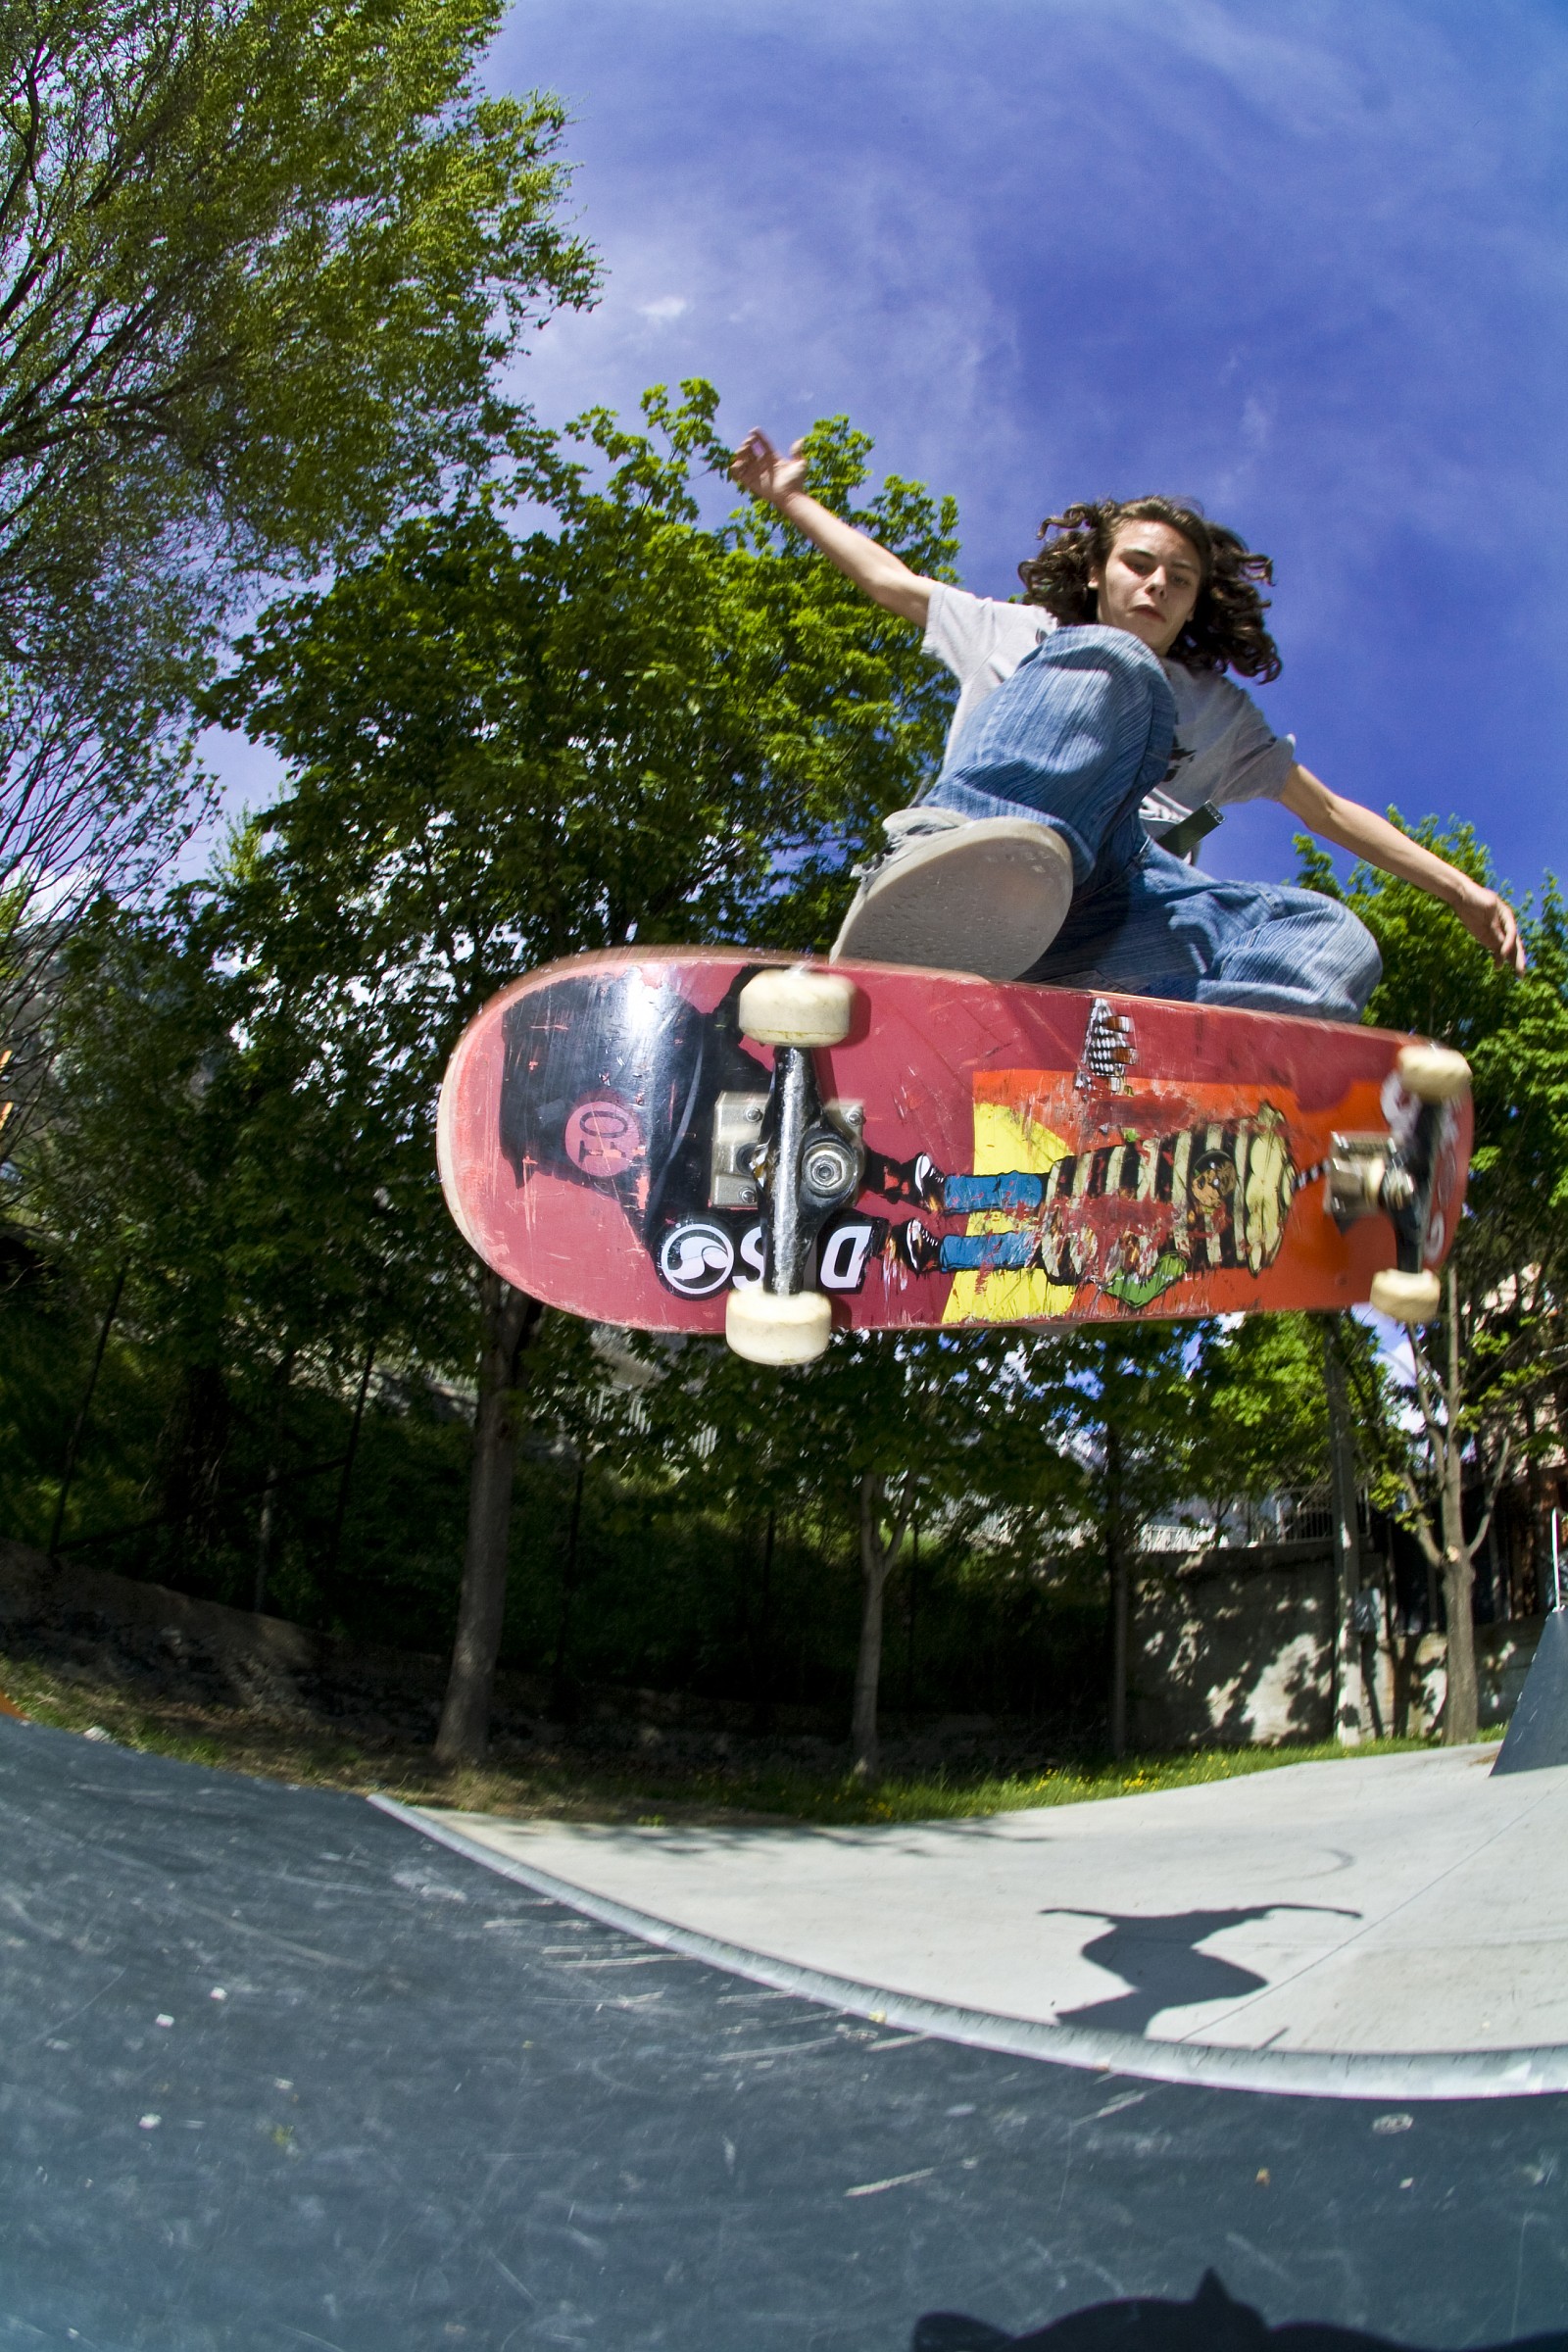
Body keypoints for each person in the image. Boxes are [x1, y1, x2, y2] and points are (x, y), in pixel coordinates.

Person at [729, 431, 1525, 1019]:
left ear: (1195, 601)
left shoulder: (1217, 710)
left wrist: (1461, 891)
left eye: (1179, 579)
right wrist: (789, 495)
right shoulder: (1014, 631)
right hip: (985, 870)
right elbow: (888, 581)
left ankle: (1206, 1077)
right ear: (1096, 570)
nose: (1157, 586)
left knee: (1327, 934)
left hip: (1113, 923)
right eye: (1139, 565)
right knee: (1115, 665)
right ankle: (957, 878)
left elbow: (1326, 813)